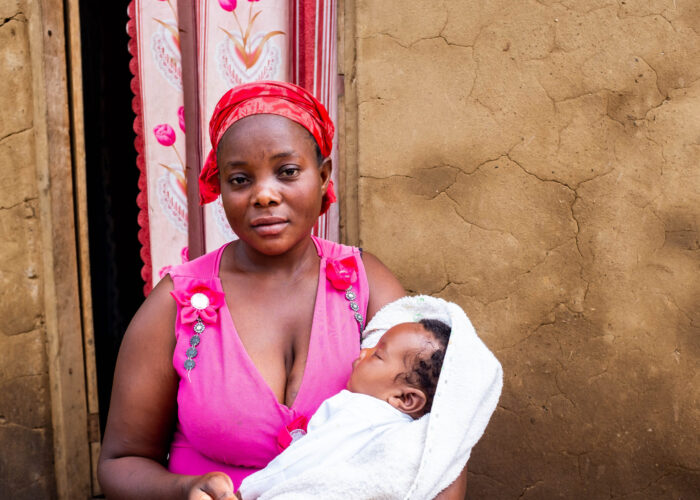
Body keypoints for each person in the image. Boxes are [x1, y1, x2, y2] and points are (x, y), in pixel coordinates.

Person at [97, 81, 467, 499]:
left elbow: (441, 440)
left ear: (323, 176)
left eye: (287, 172)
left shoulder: (364, 285)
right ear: (222, 189)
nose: (265, 195)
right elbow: (120, 462)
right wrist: (184, 489)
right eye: (240, 179)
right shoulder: (178, 303)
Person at [237, 318, 452, 499]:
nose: (364, 351)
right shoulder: (412, 437)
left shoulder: (361, 413)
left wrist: (248, 491)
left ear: (406, 399)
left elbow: (303, 460)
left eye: (377, 354)